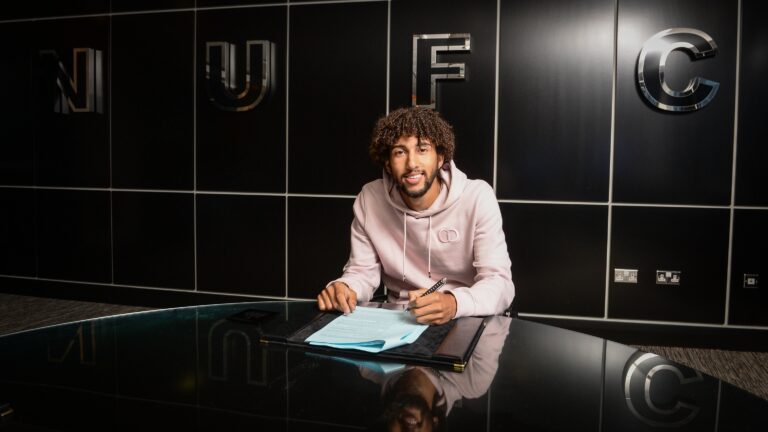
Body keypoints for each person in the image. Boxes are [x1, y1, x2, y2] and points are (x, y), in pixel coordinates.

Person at [317, 107, 514, 324]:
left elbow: (499, 283)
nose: (412, 164)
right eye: (400, 152)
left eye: (422, 149)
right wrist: (345, 287)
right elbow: (362, 273)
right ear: (387, 163)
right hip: (398, 321)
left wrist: (453, 303)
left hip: (464, 317)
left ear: (440, 157)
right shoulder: (370, 199)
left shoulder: (477, 197)